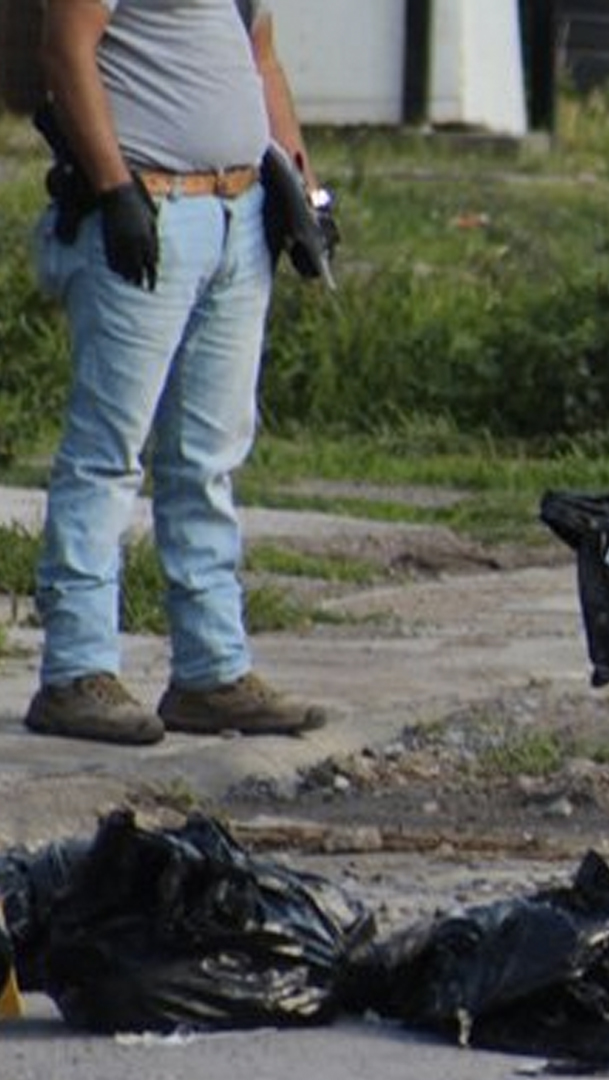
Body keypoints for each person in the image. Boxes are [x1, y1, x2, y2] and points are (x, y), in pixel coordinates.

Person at [26, 0, 331, 745]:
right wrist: (112, 189)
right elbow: (67, 49)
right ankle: (77, 671)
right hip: (151, 208)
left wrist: (306, 192)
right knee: (108, 453)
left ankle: (211, 671)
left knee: (208, 458)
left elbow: (262, 61)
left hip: (238, 213)